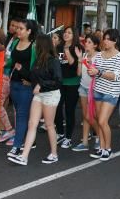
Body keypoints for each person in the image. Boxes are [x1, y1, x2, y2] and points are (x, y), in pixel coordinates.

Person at [8, 34, 62, 165]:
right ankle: (24, 156)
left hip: (50, 95)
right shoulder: (38, 59)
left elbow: (58, 81)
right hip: (39, 95)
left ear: (41, 45)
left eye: (36, 44)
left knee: (49, 125)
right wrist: (21, 70)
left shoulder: (53, 60)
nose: (33, 45)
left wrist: (41, 86)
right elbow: (32, 77)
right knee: (32, 124)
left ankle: (54, 154)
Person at [87, 29, 120, 161]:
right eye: (105, 38)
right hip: (98, 90)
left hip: (111, 92)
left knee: (103, 121)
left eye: (109, 39)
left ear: (115, 41)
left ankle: (108, 149)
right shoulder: (98, 55)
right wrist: (91, 71)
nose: (105, 41)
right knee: (99, 120)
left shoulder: (119, 56)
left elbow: (115, 76)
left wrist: (98, 72)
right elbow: (92, 72)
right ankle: (102, 148)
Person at [5, 19, 38, 157]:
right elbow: (12, 60)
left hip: (26, 87)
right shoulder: (16, 43)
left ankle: (17, 146)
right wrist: (4, 63)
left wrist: (31, 81)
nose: (18, 30)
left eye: (21, 28)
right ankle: (29, 139)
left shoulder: (34, 46)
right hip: (14, 84)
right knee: (19, 114)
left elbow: (36, 68)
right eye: (17, 28)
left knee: (21, 116)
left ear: (29, 31)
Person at [55, 27, 83, 149]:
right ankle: (60, 132)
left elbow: (72, 63)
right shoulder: (58, 46)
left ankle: (68, 137)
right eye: (65, 32)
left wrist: (67, 50)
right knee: (57, 108)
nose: (66, 34)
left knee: (69, 110)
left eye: (69, 33)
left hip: (72, 83)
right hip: (59, 83)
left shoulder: (77, 48)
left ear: (74, 35)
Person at [72, 34, 101, 152]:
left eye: (89, 42)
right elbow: (79, 74)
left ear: (95, 45)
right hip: (83, 87)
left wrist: (88, 62)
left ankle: (100, 136)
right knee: (85, 116)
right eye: (86, 42)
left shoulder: (99, 57)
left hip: (94, 89)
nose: (86, 44)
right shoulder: (84, 55)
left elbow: (93, 73)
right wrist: (80, 61)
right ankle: (84, 142)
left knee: (91, 116)